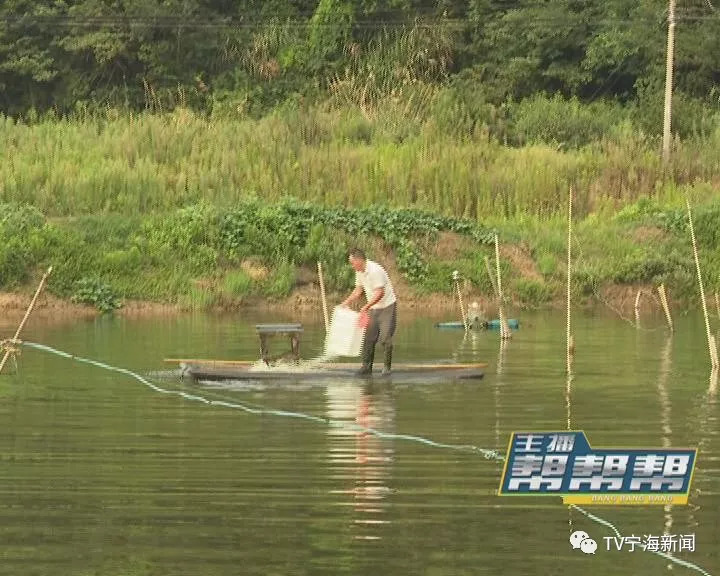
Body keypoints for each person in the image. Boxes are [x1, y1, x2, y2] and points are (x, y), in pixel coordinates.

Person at [340, 248, 397, 376]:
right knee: (368, 337)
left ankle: (387, 368)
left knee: (385, 337)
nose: (352, 266)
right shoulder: (359, 272)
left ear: (359, 260)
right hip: (373, 307)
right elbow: (358, 290)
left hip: (387, 306)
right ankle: (366, 367)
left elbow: (380, 293)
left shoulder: (375, 271)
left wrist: (366, 306)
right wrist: (346, 302)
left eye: (352, 262)